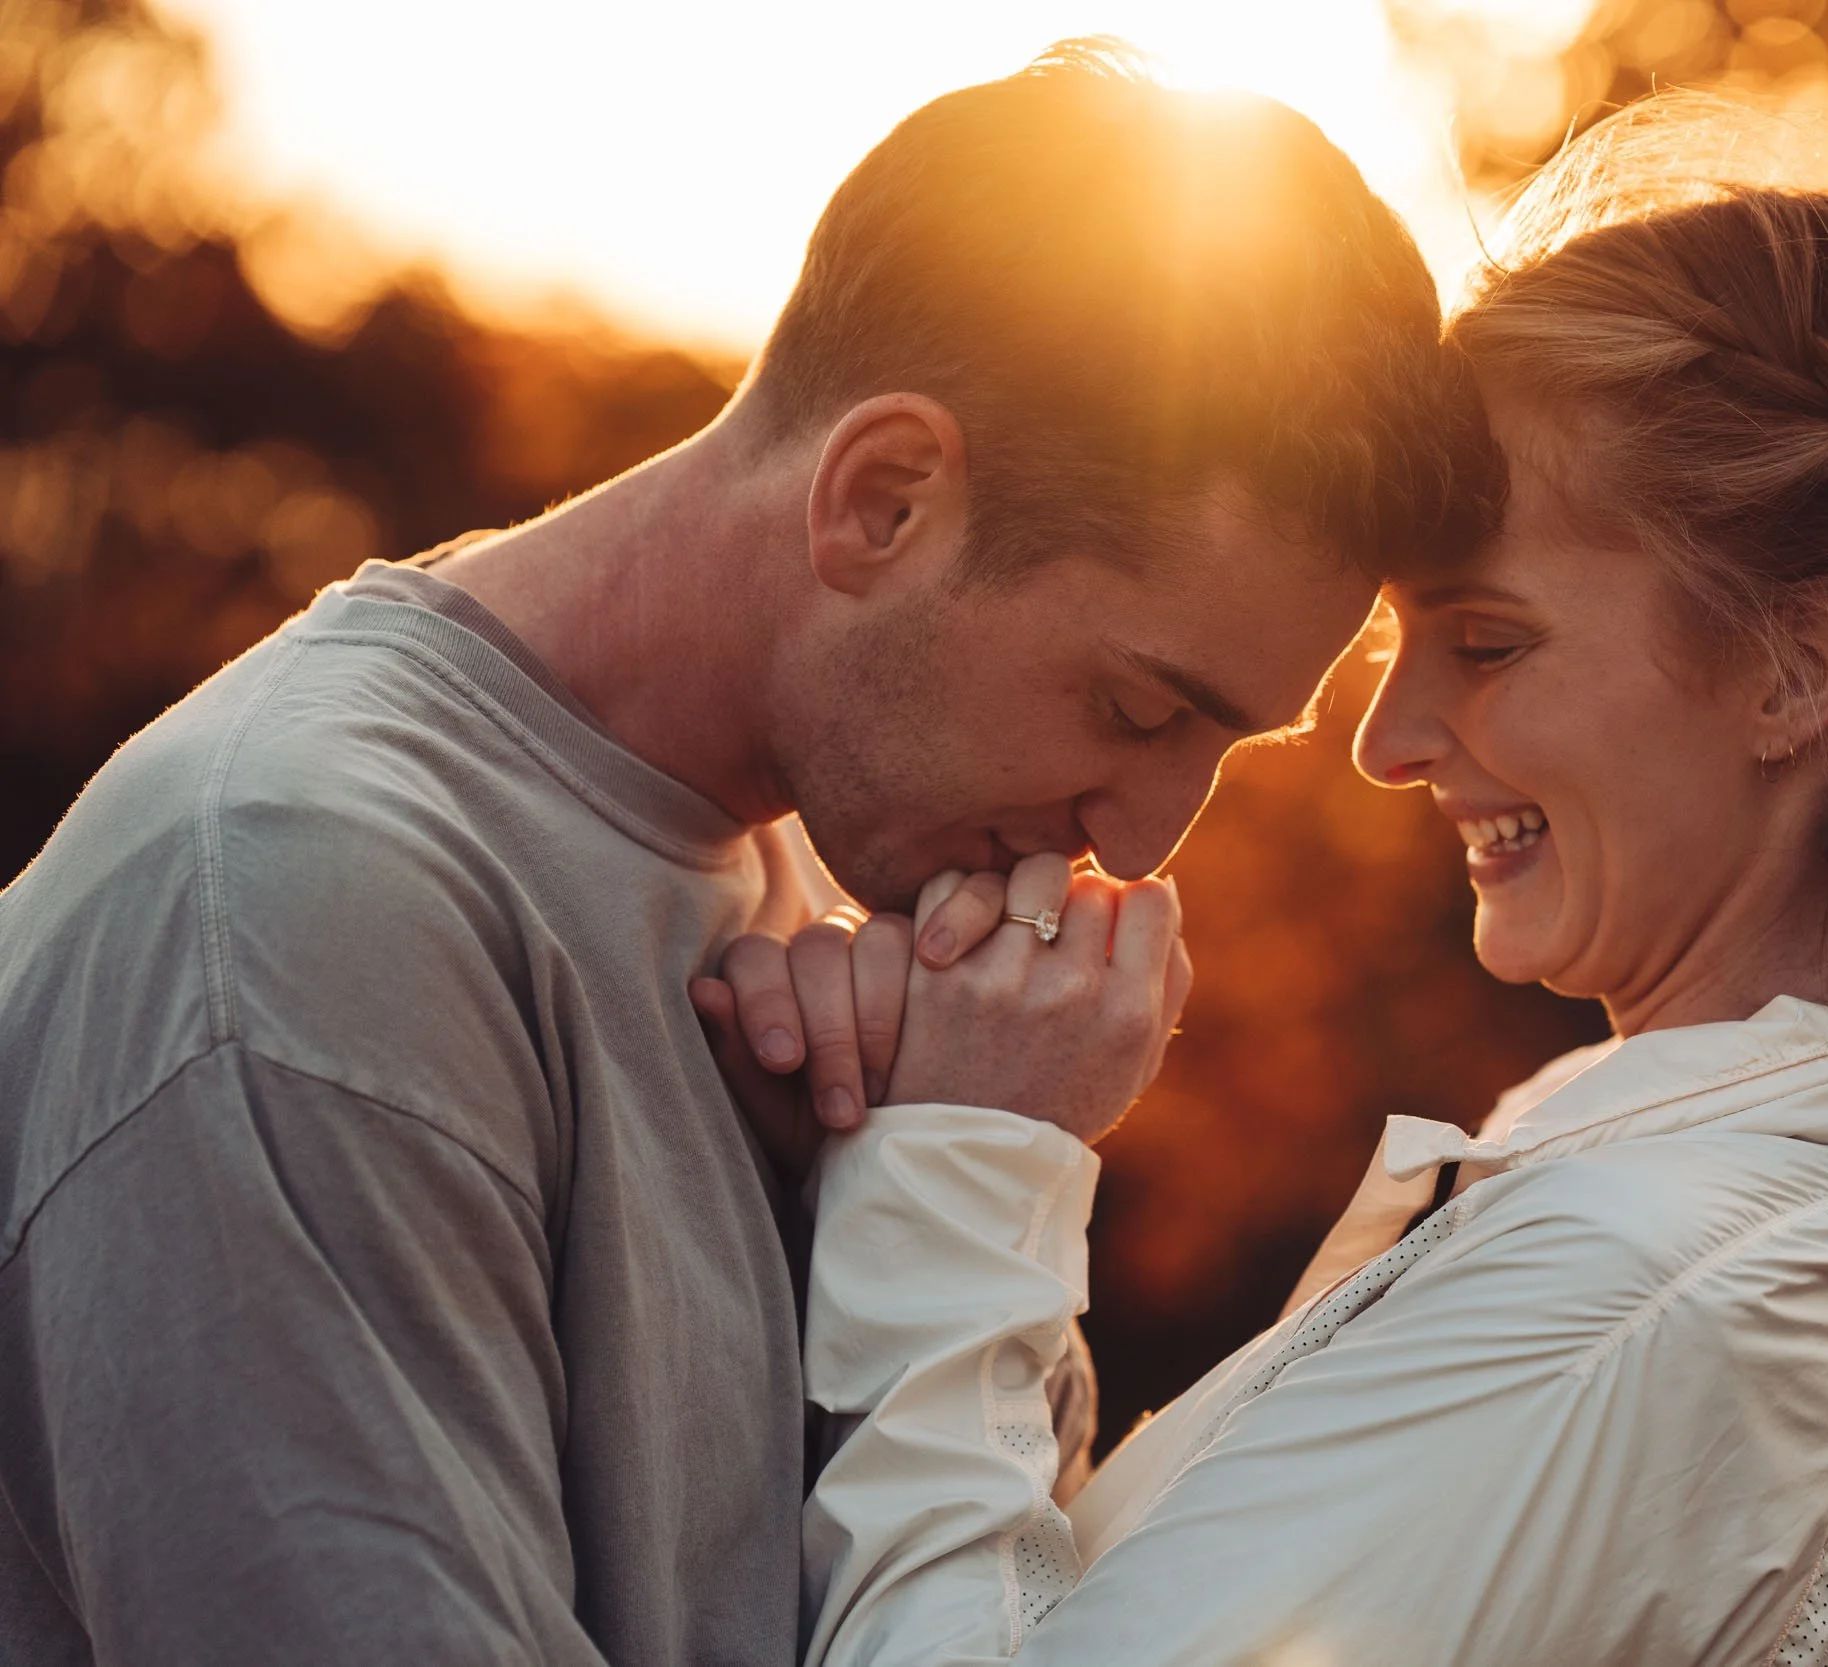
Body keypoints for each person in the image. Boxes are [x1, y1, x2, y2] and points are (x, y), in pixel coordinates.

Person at [0, 46, 1494, 1666]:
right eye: (1137, 705)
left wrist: (952, 1181)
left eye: (1224, 748)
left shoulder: (824, 935)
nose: (1144, 841)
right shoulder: (297, 918)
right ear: (883, 497)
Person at [707, 118, 1828, 1667]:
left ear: (1792, 670)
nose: (1390, 744)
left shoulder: (1647, 1292)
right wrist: (906, 1167)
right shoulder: (1676, 1210)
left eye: (1488, 641)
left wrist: (964, 1165)